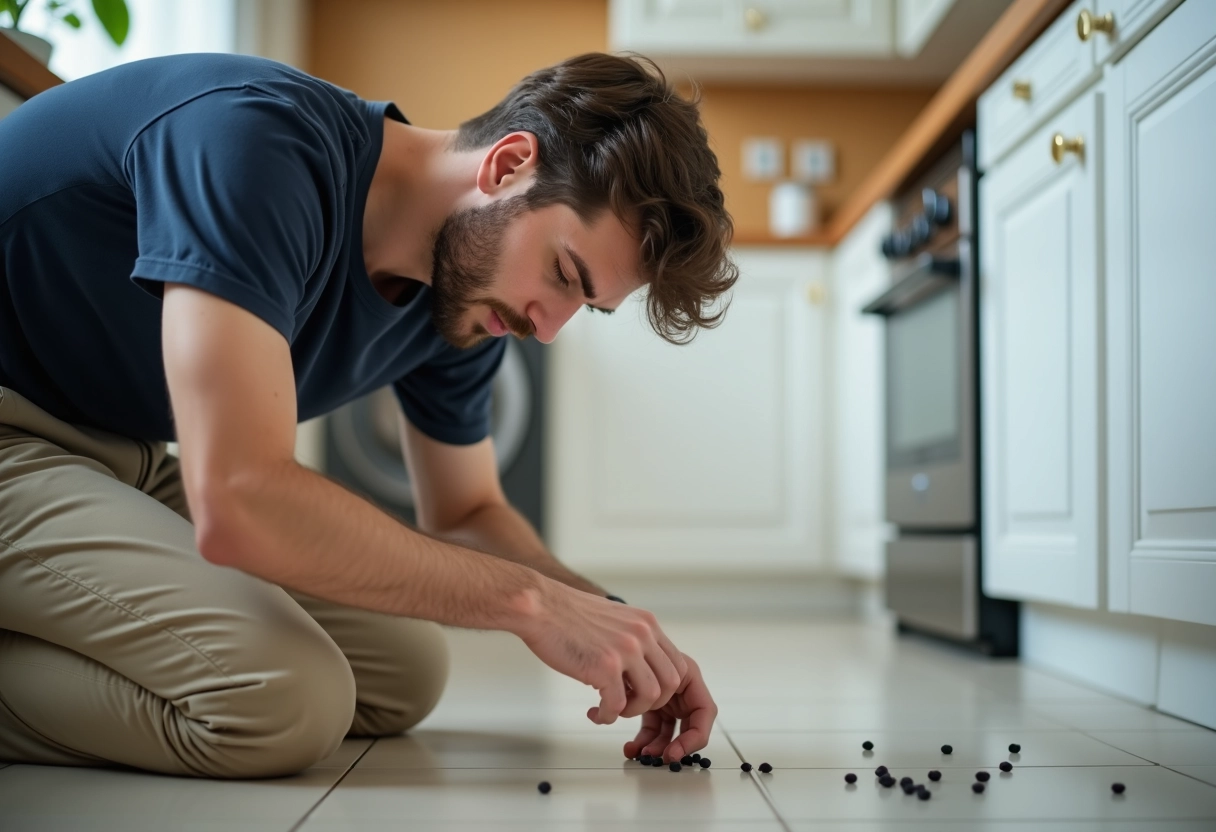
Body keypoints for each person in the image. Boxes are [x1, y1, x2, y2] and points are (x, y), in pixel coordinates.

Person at [0, 51, 737, 779]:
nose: (549, 328)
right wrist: (533, 603)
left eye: (588, 306)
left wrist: (610, 622)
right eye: (564, 275)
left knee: (400, 672)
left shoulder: (464, 296)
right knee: (284, 698)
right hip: (14, 427)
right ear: (509, 164)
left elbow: (466, 508)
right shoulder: (255, 144)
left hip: (112, 454)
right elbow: (238, 499)